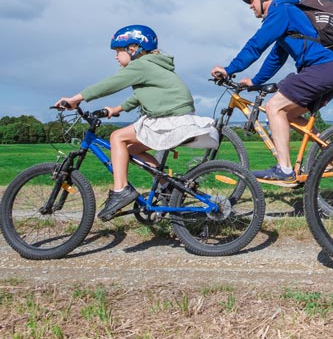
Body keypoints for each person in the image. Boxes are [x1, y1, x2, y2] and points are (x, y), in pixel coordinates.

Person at [55, 25, 219, 221]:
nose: (116, 56)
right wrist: (117, 109)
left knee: (117, 137)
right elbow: (142, 94)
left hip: (169, 119)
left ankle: (120, 190)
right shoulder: (153, 64)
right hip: (175, 116)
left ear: (134, 48)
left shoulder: (141, 65)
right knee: (131, 149)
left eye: (118, 51)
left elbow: (111, 83)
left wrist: (77, 98)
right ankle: (167, 185)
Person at [211, 0, 333, 183]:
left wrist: (229, 69)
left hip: (321, 69)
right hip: (331, 70)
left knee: (274, 107)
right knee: (288, 116)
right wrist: (256, 81)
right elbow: (276, 57)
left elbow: (256, 44)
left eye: (251, 0)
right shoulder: (288, 15)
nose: (250, 5)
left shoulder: (280, 10)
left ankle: (284, 169)